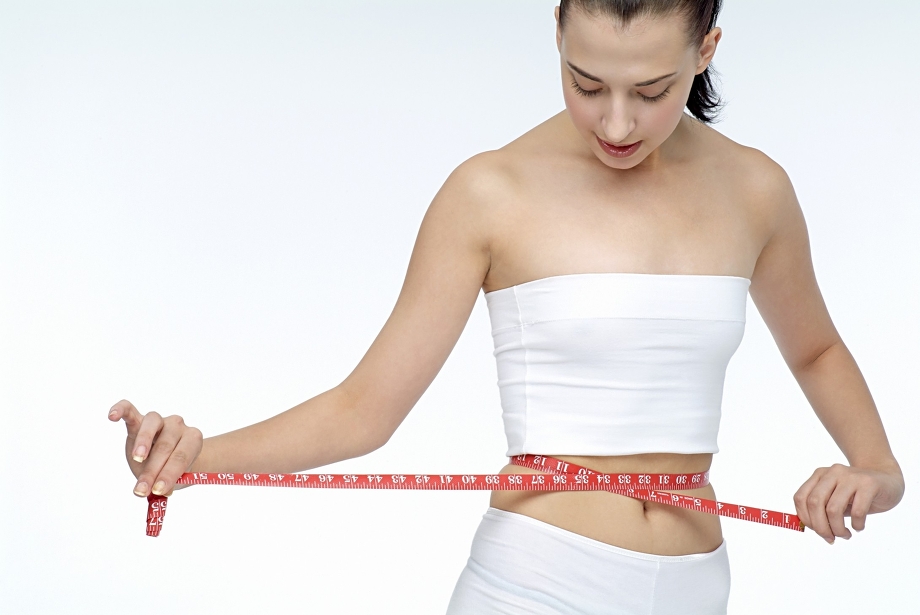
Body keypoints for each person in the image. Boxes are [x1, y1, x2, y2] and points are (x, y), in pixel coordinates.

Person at [108, 1, 905, 612]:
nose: (616, 122)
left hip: (698, 587)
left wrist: (877, 469)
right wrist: (197, 455)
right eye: (586, 84)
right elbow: (365, 407)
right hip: (536, 583)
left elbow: (816, 350)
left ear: (706, 50)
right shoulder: (490, 193)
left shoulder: (756, 190)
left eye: (652, 91)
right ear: (556, 33)